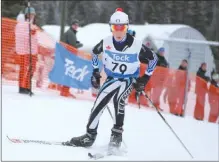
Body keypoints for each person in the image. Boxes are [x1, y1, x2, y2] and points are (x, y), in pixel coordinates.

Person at [64, 8, 158, 148]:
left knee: (119, 100)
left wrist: (145, 78)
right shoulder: (106, 42)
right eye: (115, 27)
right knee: (98, 104)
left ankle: (116, 136)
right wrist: (96, 72)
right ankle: (89, 136)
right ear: (111, 28)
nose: (118, 31)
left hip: (128, 79)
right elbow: (95, 54)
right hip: (112, 78)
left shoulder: (136, 44)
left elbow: (153, 59)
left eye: (122, 27)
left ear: (127, 27)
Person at [15, 7, 38, 95]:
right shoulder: (22, 24)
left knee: (32, 69)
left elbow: (34, 37)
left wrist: (32, 32)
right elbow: (21, 35)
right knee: (24, 69)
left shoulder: (33, 24)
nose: (31, 16)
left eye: (33, 14)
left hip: (33, 51)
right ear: (26, 15)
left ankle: (27, 86)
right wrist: (29, 32)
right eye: (30, 14)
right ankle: (22, 87)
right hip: (24, 50)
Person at [60, 19, 83, 98]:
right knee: (69, 74)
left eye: (77, 25)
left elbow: (70, 43)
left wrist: (76, 43)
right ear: (72, 25)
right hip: (69, 56)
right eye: (74, 25)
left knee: (67, 73)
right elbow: (73, 46)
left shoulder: (71, 32)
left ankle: (64, 90)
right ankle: (65, 91)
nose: (76, 26)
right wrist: (80, 45)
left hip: (67, 55)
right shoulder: (71, 33)